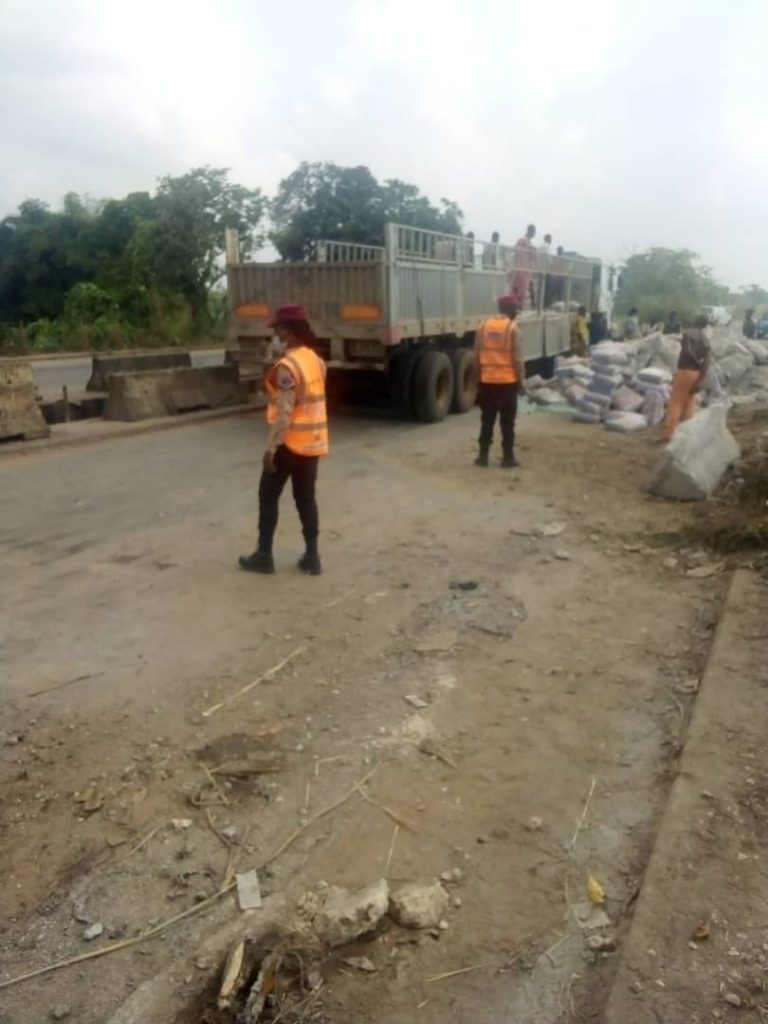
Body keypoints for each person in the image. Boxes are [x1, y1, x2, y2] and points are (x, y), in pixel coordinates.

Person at [239, 304, 329, 576]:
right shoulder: (316, 361)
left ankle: (264, 555)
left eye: (278, 329)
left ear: (289, 332)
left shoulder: (287, 367)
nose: (275, 334)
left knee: (267, 495)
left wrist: (270, 449)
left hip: (288, 444)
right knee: (306, 498)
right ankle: (312, 556)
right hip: (312, 444)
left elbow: (284, 413)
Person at [474, 295, 526, 468]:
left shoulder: (483, 327)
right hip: (507, 383)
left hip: (487, 381)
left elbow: (476, 355)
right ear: (510, 310)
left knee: (487, 420)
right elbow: (517, 359)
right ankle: (508, 458)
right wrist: (521, 382)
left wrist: (477, 379)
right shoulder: (513, 328)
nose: (517, 313)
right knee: (507, 422)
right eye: (516, 310)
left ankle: (482, 457)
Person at [663, 315, 711, 439]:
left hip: (685, 371)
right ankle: (687, 434)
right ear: (705, 325)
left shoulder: (688, 333)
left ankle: (671, 434)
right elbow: (707, 361)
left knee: (676, 402)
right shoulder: (705, 339)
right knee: (690, 402)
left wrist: (695, 362)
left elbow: (686, 351)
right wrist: (701, 378)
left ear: (695, 321)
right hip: (696, 374)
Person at [508, 224, 536, 308]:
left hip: (524, 269)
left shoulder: (527, 242)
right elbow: (514, 250)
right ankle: (516, 307)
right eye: (533, 232)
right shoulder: (522, 240)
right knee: (519, 289)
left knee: (523, 288)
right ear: (529, 231)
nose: (534, 234)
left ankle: (521, 306)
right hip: (521, 269)